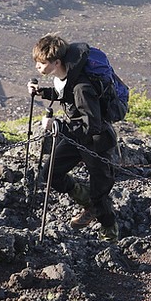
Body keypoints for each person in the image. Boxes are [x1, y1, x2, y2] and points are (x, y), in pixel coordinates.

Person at [27, 33, 119, 241]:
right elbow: (64, 95)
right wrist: (42, 92)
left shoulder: (81, 87)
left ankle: (110, 233)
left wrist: (58, 125)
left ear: (56, 62)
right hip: (76, 138)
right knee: (50, 174)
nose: (38, 67)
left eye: (41, 63)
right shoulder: (66, 77)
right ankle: (88, 202)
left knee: (100, 193)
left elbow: (92, 125)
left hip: (97, 143)